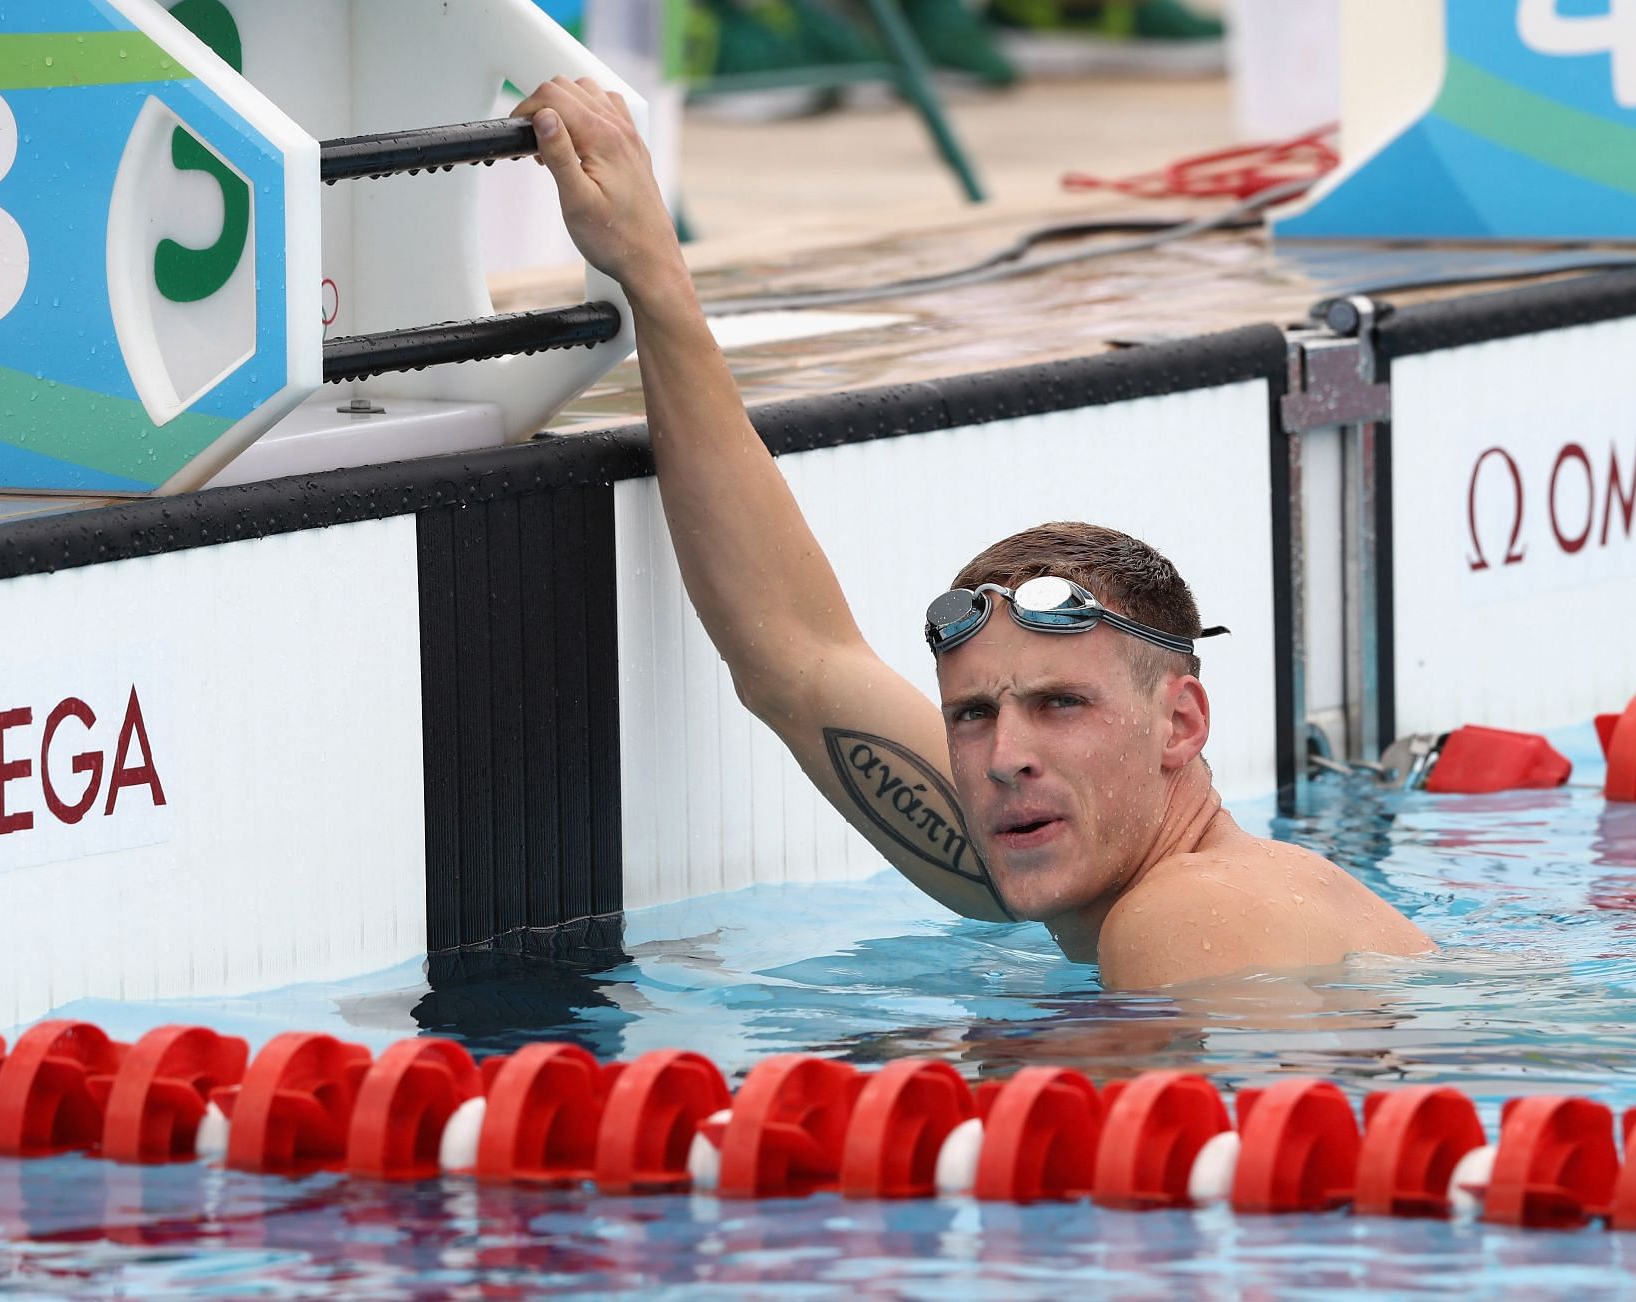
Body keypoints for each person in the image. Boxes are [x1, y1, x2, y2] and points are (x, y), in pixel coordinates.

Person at [513, 78, 1434, 987]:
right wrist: (652, 271)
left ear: (1180, 723)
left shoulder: (1183, 916)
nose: (1005, 757)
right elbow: (793, 660)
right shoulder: (1079, 868)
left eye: (1062, 704)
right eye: (973, 714)